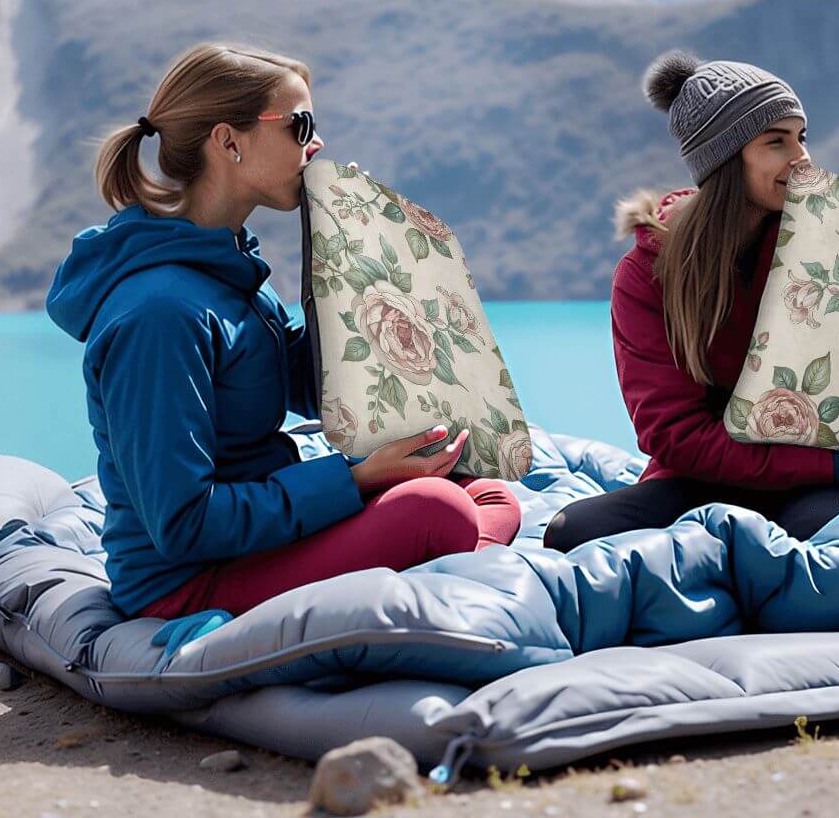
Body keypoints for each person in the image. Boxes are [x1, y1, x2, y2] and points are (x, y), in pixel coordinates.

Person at [45, 42, 521, 620]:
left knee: (483, 490)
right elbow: (184, 524)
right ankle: (444, 576)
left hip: (265, 539)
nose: (315, 144)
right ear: (228, 141)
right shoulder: (159, 315)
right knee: (437, 511)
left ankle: (438, 574)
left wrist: (353, 259)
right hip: (190, 581)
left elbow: (297, 383)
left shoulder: (226, 265)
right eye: (300, 125)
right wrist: (358, 480)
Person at [543, 51, 839, 552]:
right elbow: (674, 437)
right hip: (707, 478)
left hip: (823, 485)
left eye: (801, 137)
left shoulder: (832, 240)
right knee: (572, 533)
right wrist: (838, 462)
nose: (802, 158)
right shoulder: (646, 275)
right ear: (725, 158)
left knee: (828, 544)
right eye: (776, 142)